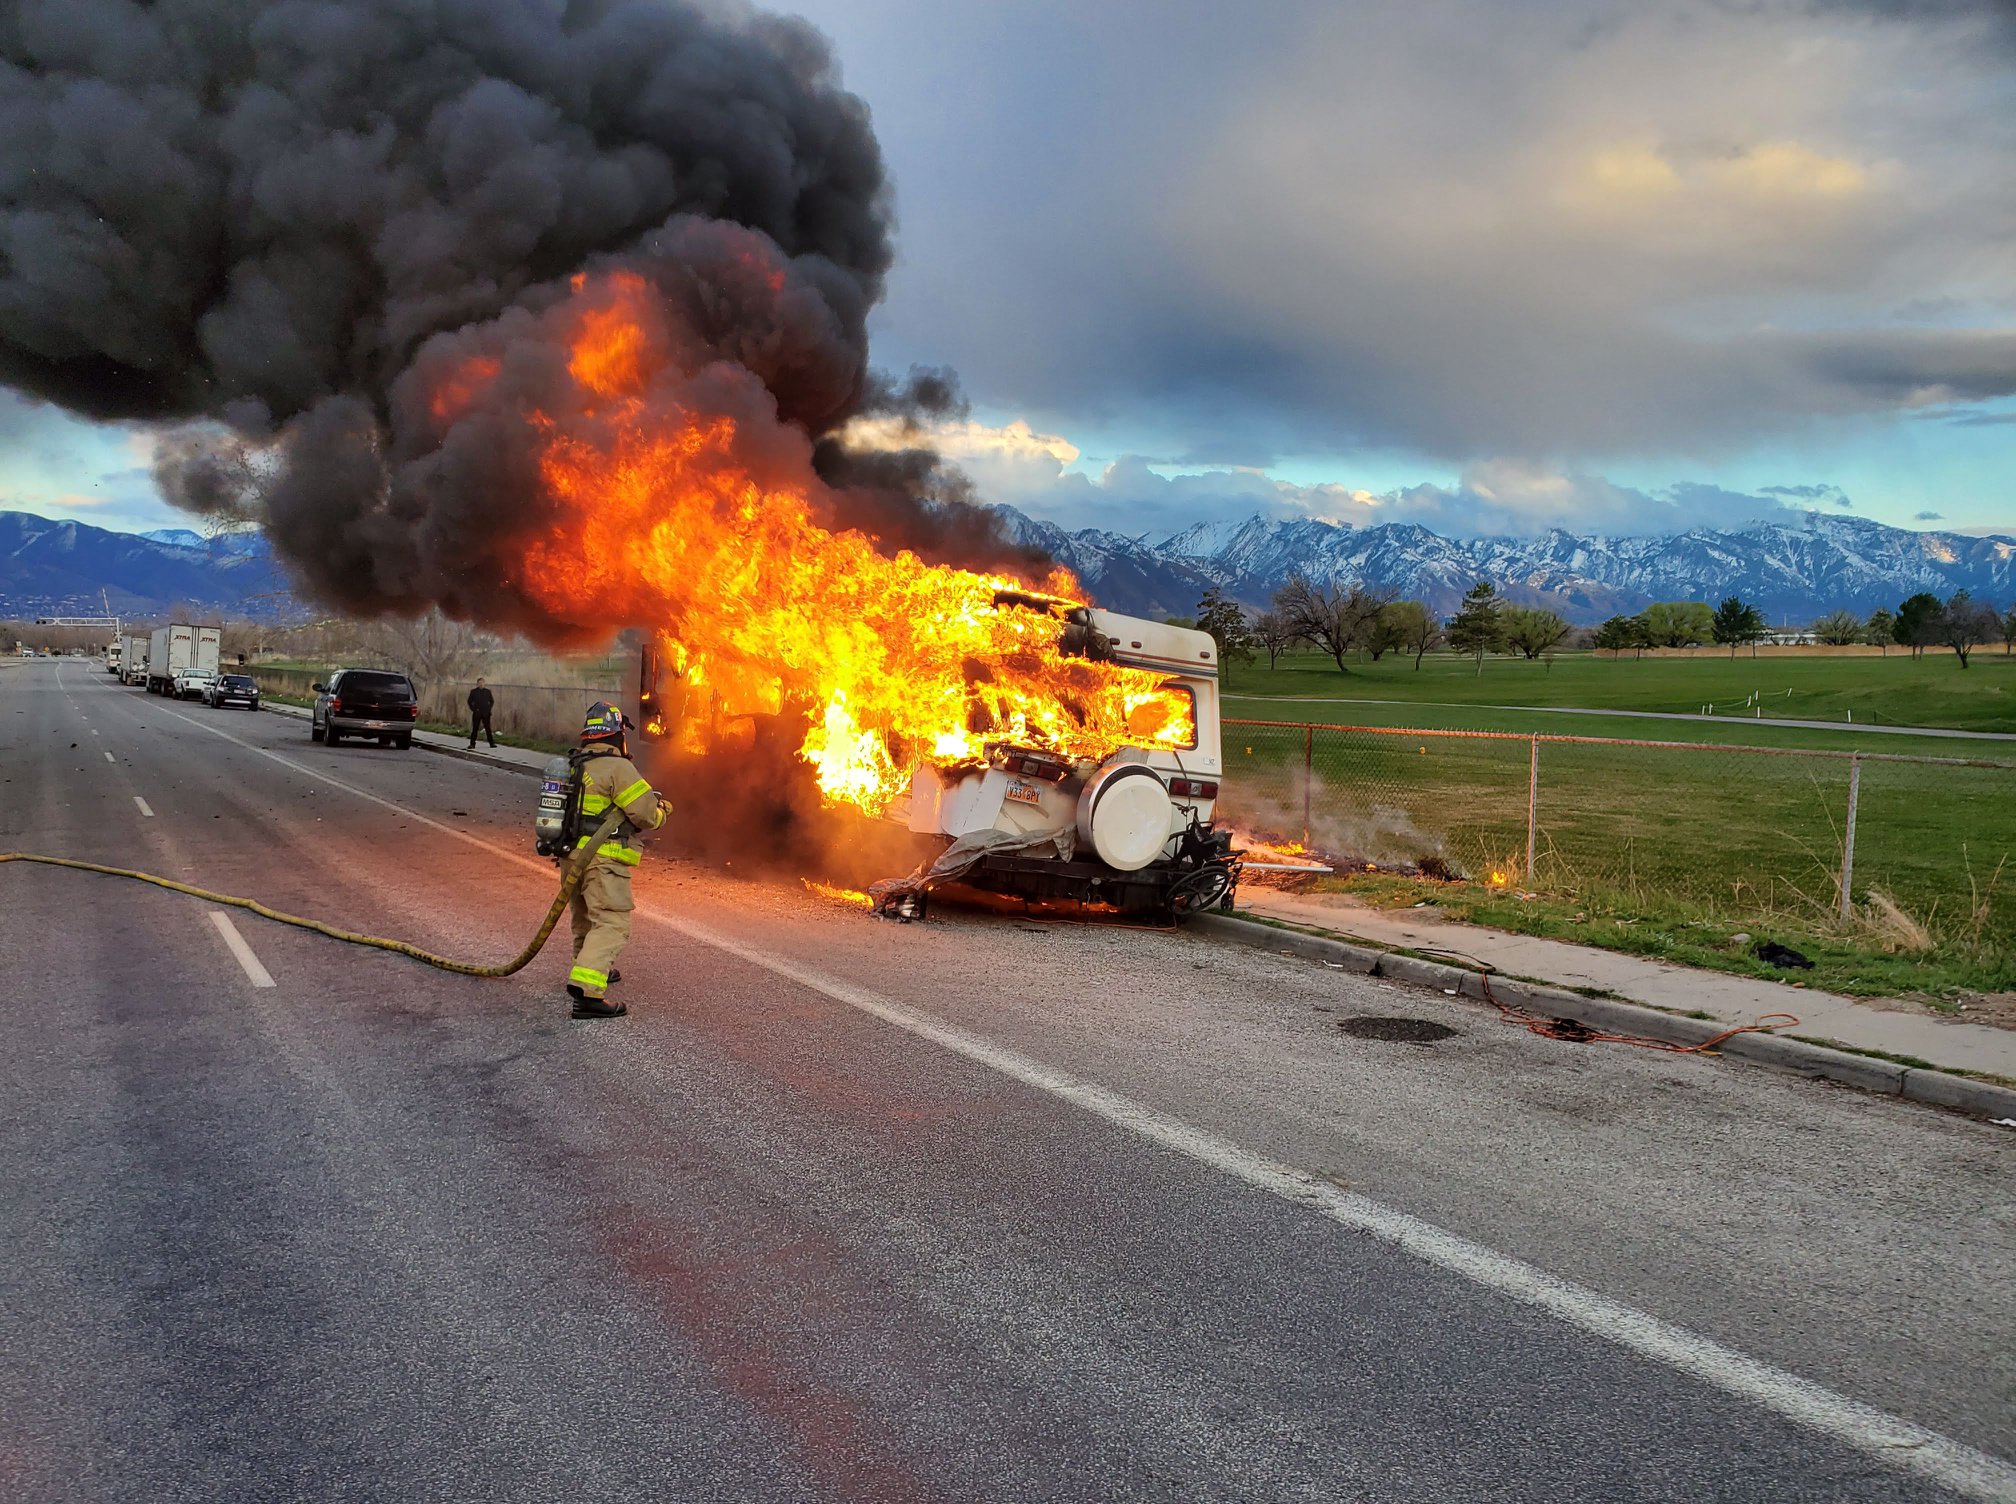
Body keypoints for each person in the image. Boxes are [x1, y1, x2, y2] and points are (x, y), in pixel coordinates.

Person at [564, 701, 667, 1019]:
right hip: (602, 860)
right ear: (617, 735)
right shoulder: (618, 767)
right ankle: (588, 994)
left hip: (571, 858)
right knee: (611, 922)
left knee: (585, 918)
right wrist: (664, 811)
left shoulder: (575, 764)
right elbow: (646, 815)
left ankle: (587, 969)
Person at [466, 677, 496, 748]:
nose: (481, 684)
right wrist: (473, 709)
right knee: (475, 728)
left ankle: (491, 743)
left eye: (482, 683)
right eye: (479, 683)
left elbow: (492, 701)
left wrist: (488, 709)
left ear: (484, 683)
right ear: (477, 684)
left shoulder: (488, 691)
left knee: (488, 728)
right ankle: (472, 744)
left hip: (486, 713)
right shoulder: (473, 692)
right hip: (477, 713)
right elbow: (469, 701)